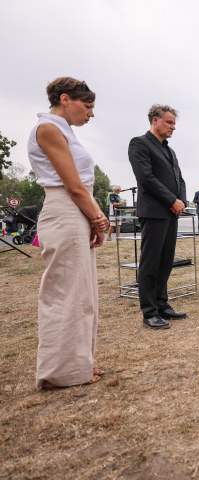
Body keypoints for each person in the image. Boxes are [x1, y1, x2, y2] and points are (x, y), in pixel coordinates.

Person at [28, 77, 107, 389]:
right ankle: (58, 373)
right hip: (65, 210)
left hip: (78, 212)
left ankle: (77, 366)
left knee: (82, 295)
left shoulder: (64, 132)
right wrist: (98, 219)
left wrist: (96, 218)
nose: (91, 113)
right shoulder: (48, 128)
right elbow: (73, 187)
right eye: (87, 106)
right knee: (65, 294)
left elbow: (82, 185)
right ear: (65, 99)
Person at [128, 105, 188, 330]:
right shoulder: (139, 144)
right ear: (155, 120)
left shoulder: (169, 150)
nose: (173, 127)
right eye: (169, 122)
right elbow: (146, 178)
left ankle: (162, 304)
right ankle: (149, 312)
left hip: (171, 213)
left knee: (165, 262)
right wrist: (171, 200)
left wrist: (180, 201)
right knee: (150, 263)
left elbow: (179, 178)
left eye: (174, 124)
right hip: (154, 212)